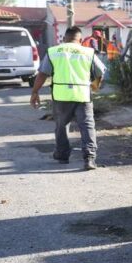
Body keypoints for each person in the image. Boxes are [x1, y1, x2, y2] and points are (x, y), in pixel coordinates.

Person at [29, 25, 105, 170]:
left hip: (61, 96)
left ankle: (62, 155)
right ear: (80, 40)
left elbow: (42, 74)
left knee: (61, 126)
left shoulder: (54, 51)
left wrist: (35, 92)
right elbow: (100, 72)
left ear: (64, 39)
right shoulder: (88, 52)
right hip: (82, 95)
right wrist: (95, 86)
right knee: (87, 125)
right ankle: (89, 158)